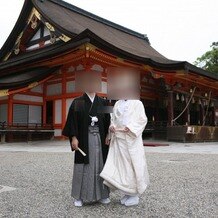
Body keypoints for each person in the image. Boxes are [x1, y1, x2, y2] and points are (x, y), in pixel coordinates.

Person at [62, 92, 110, 207]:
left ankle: (103, 194)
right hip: (84, 139)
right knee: (82, 166)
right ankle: (79, 196)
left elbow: (109, 120)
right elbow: (72, 121)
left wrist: (109, 134)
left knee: (100, 165)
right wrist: (74, 137)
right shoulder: (78, 101)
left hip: (100, 138)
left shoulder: (103, 102)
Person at [100, 99, 150, 206]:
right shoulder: (118, 103)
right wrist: (111, 127)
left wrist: (131, 128)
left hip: (131, 139)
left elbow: (142, 119)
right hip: (118, 138)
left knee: (131, 165)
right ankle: (127, 193)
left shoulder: (137, 103)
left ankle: (134, 195)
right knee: (121, 167)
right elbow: (113, 119)